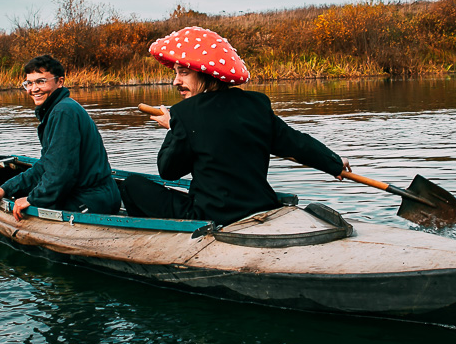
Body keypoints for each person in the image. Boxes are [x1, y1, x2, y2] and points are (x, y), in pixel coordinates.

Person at [123, 26, 350, 225]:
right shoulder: (256, 105)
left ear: (206, 74)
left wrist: (174, 128)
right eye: (175, 73)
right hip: (261, 206)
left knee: (132, 185)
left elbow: (169, 171)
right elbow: (296, 143)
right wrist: (333, 162)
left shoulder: (183, 114)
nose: (176, 81)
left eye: (183, 72)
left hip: (211, 216)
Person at [0, 54, 120, 220]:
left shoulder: (62, 112)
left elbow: (62, 172)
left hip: (90, 201)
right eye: (29, 83)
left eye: (41, 81)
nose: (33, 89)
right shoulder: (58, 109)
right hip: (99, 195)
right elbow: (47, 164)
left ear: (60, 82)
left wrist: (31, 199)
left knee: (24, 211)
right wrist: (6, 188)